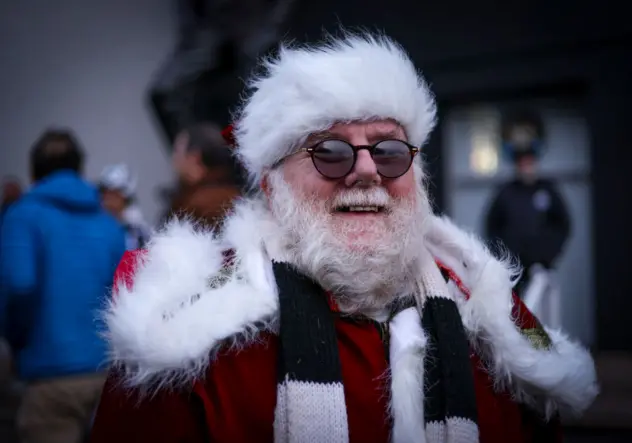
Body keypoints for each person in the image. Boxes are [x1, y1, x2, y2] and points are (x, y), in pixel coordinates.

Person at [91, 33, 597, 443]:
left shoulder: (487, 312)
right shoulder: (188, 327)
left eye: (390, 152)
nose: (365, 172)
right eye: (329, 152)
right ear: (271, 183)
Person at [0, 129, 126, 443]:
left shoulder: (22, 217)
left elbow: (19, 285)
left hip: (50, 379)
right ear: (79, 168)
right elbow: (125, 290)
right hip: (109, 376)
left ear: (33, 171)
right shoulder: (107, 222)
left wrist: (17, 342)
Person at [485, 110, 572, 295]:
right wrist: (504, 258)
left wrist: (547, 255)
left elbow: (563, 226)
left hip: (541, 272)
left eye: (529, 162)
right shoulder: (505, 192)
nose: (526, 167)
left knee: (539, 316)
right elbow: (491, 228)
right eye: (522, 163)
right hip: (512, 274)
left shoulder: (548, 189)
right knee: (517, 318)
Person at [164, 121, 243, 231]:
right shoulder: (231, 192)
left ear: (194, 157)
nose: (174, 159)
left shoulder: (198, 208)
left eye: (177, 152)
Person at [98, 164, 152, 250]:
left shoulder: (138, 231)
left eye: (114, 192)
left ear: (125, 195)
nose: (107, 197)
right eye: (104, 191)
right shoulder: (95, 226)